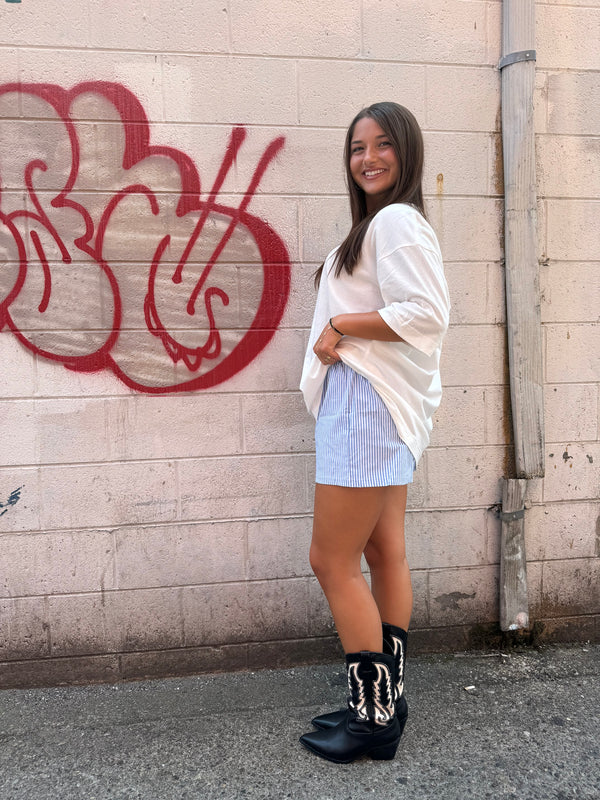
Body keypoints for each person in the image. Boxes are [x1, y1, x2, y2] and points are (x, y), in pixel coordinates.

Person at [298, 102, 450, 764]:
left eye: (383, 145)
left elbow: (424, 312)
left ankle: (372, 719)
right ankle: (386, 699)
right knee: (385, 552)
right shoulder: (387, 224)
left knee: (332, 560)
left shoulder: (393, 221)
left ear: (407, 153)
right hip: (380, 405)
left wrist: (340, 329)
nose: (368, 158)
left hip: (364, 403)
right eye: (357, 147)